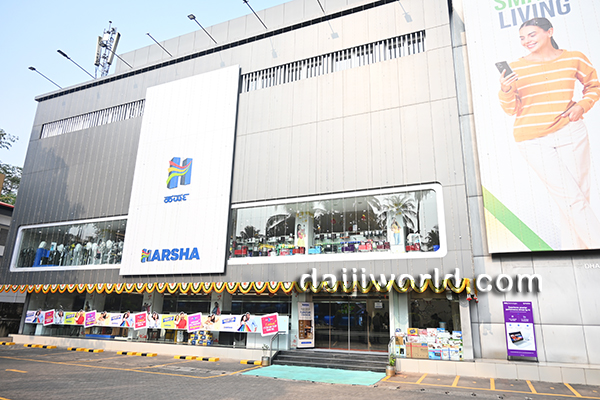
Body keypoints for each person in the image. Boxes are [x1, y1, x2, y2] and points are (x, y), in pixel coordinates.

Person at [499, 17, 600, 249]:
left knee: (578, 197)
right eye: (522, 38)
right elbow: (511, 109)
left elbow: (594, 86)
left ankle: (576, 256)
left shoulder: (574, 58)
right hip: (532, 139)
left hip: (571, 131)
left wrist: (582, 106)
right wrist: (505, 89)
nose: (526, 41)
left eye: (532, 34)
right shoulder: (516, 68)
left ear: (549, 32)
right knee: (570, 198)